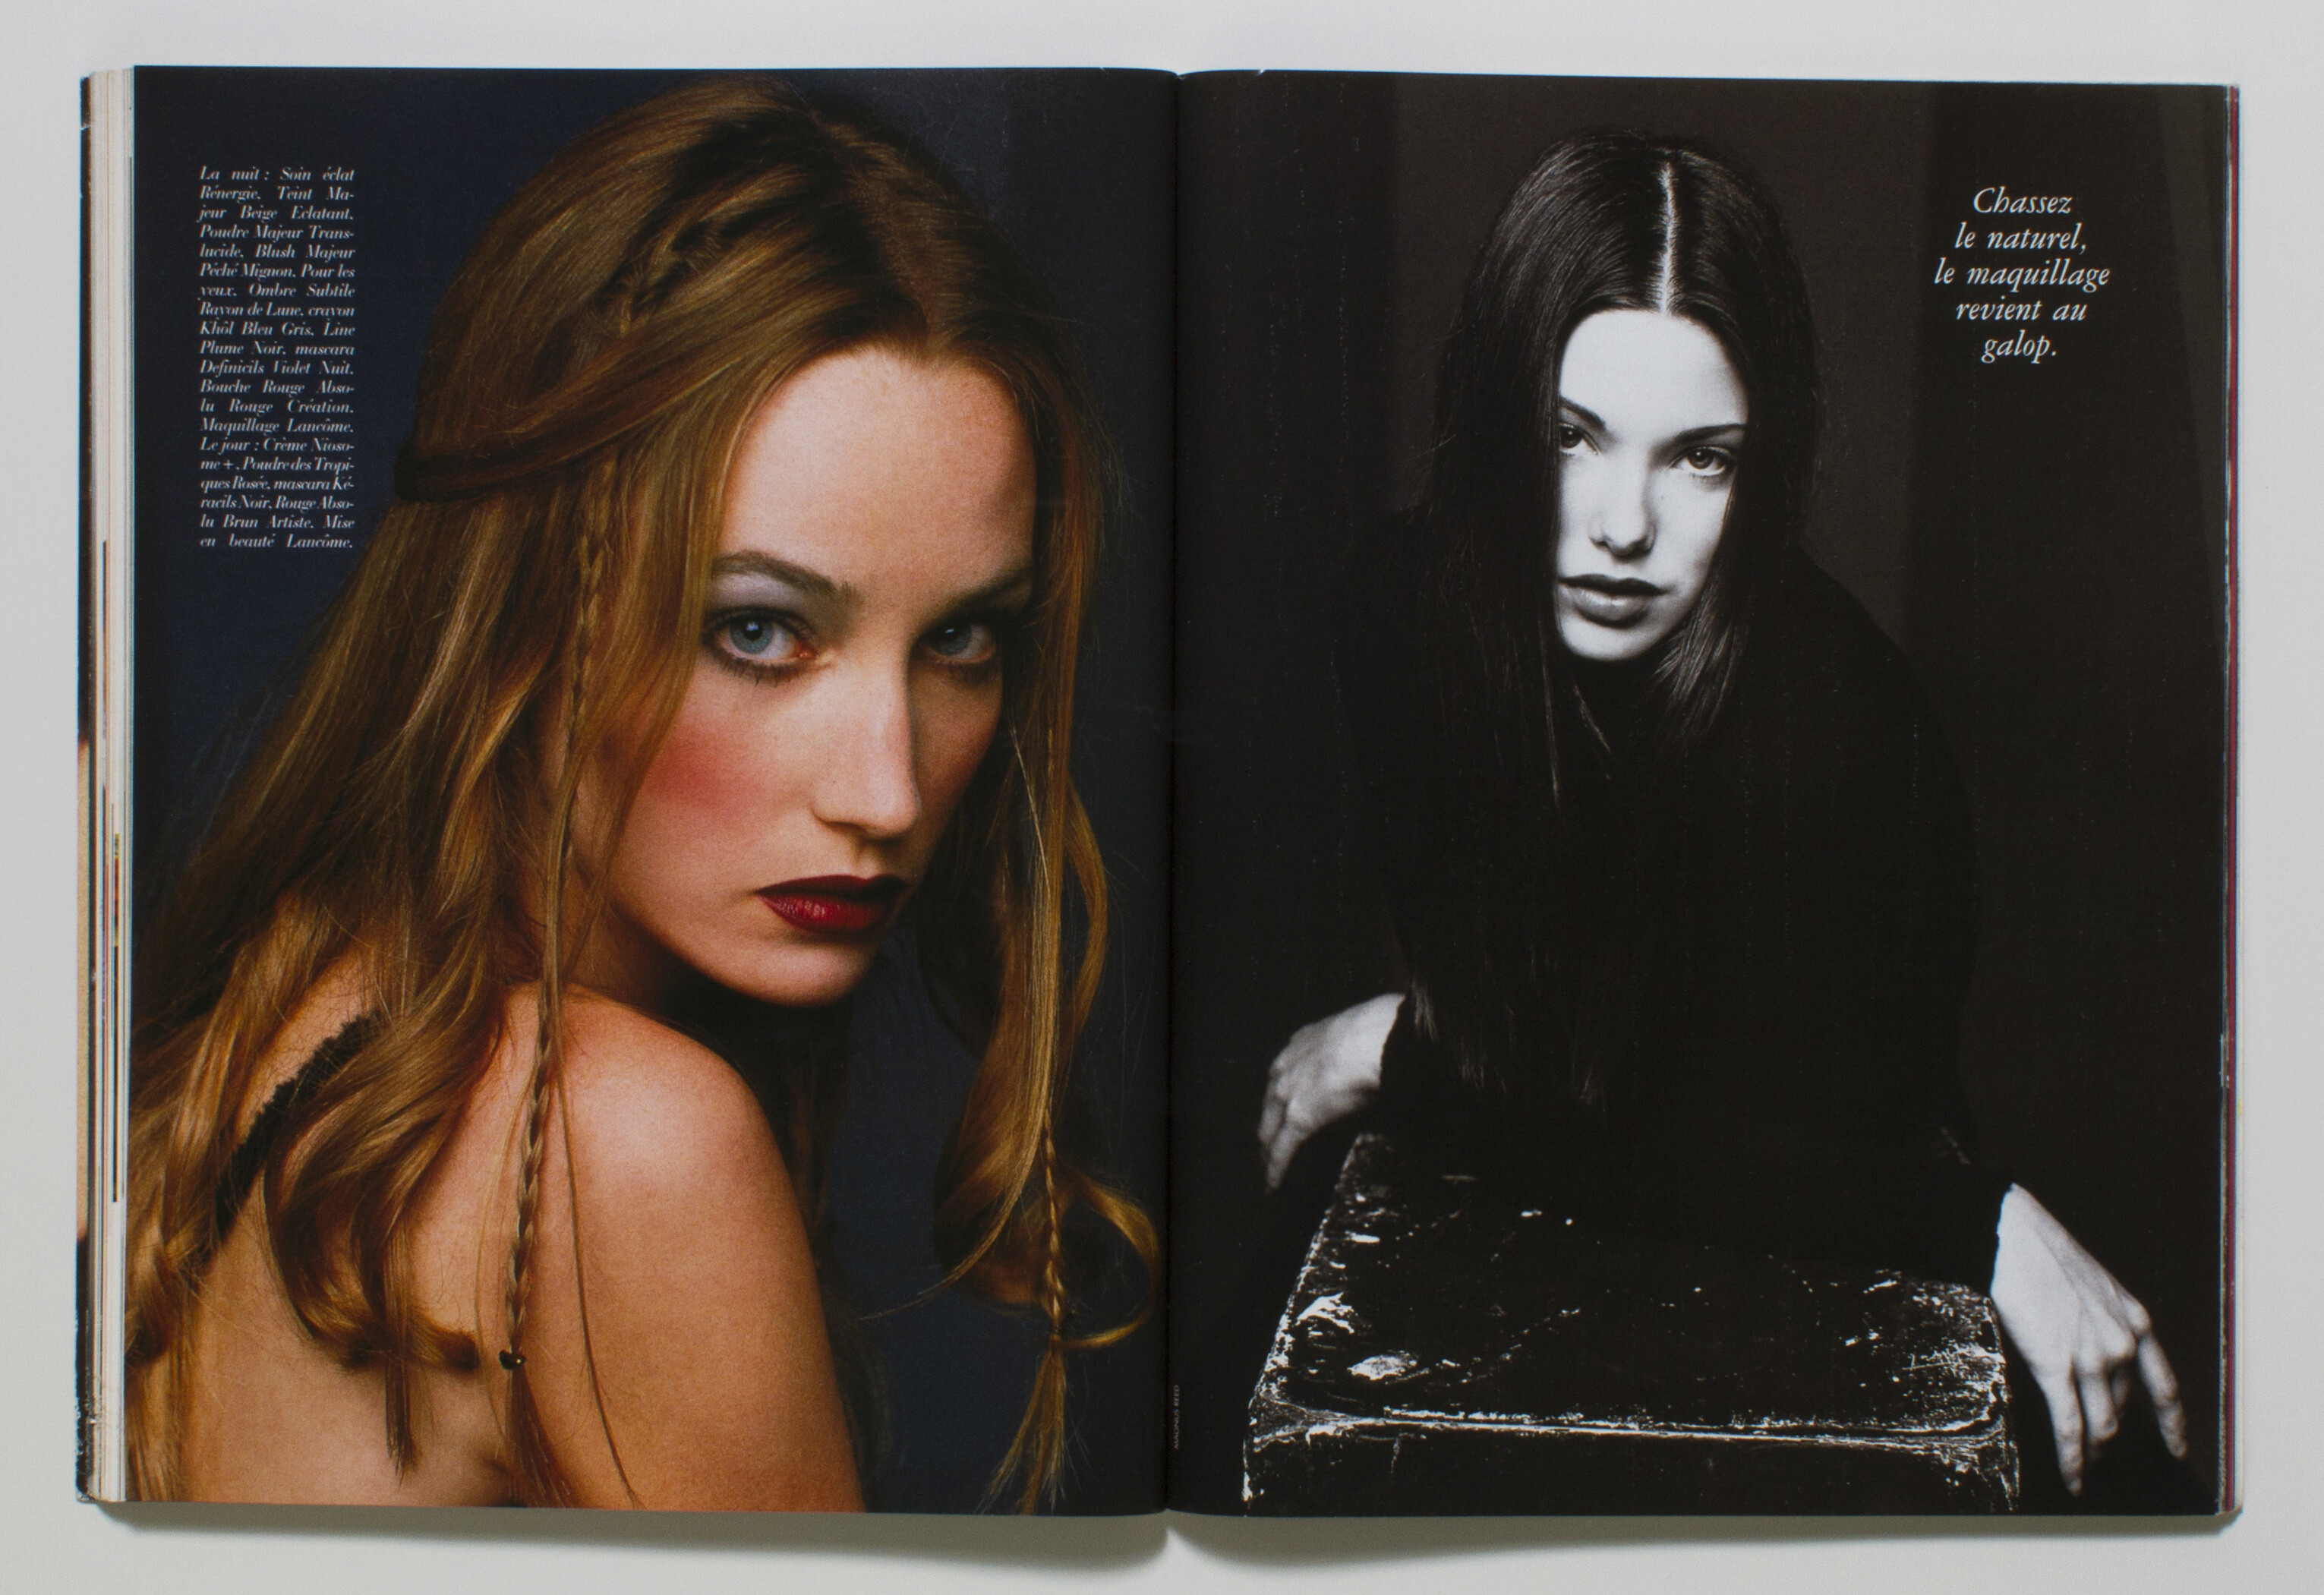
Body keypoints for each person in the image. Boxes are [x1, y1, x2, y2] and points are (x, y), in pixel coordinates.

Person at [124, 77, 1151, 1509]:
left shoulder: (308, 1014)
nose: (887, 787)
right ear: (519, 613)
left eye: (962, 639)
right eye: (757, 630)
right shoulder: (616, 1142)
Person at [1257, 128, 2182, 1499]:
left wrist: (1395, 1048)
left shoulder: (1843, 727)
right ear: (1497, 415)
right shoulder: (1396, 614)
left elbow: (1749, 1147)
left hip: (1822, 1284)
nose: (1622, 525)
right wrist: (1438, 1048)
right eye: (1570, 436)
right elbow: (1554, 1069)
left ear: (1761, 468)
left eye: (1699, 457)